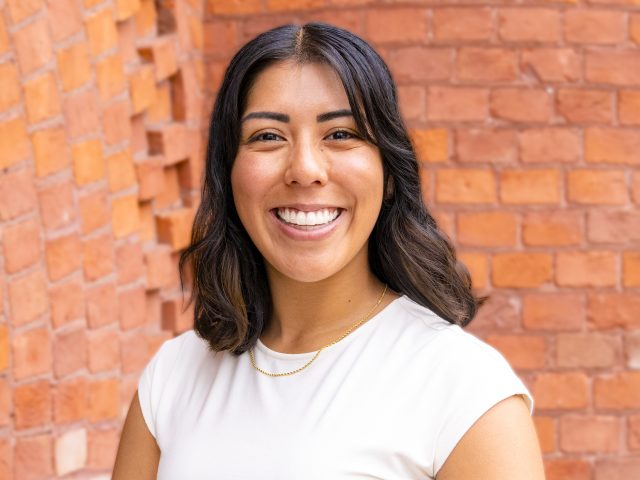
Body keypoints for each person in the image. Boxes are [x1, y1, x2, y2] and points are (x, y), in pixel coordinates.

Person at [113, 23, 545, 479]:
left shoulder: (463, 389)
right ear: (229, 172)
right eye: (267, 136)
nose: (305, 169)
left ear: (390, 171)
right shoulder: (173, 377)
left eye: (340, 134)